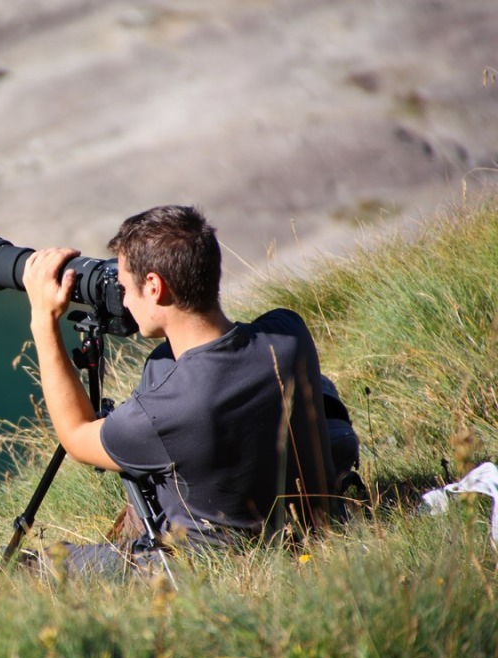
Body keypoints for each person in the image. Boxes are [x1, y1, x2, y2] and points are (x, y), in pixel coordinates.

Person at [20, 205, 336, 573]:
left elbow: (76, 436)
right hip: (309, 531)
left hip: (199, 567)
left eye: (124, 288)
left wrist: (43, 321)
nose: (122, 301)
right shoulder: (289, 332)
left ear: (154, 287)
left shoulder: (162, 410)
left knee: (41, 567)